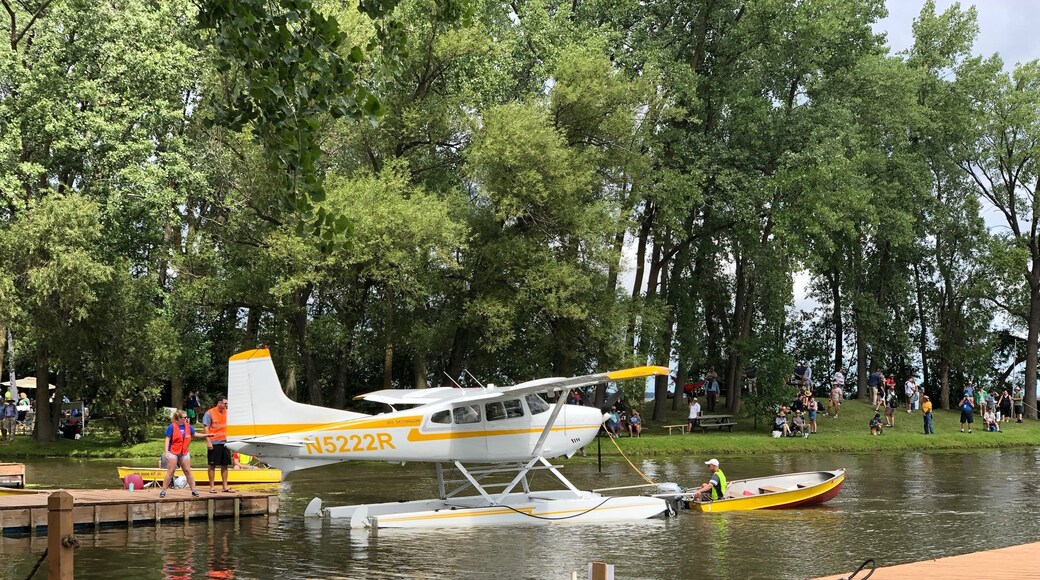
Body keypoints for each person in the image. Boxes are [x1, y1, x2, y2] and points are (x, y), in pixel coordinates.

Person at [159, 410, 212, 498]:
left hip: (184, 451)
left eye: (186, 417)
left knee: (187, 471)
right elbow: (167, 440)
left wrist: (207, 435)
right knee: (170, 472)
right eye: (184, 417)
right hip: (173, 451)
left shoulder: (188, 426)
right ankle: (164, 490)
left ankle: (194, 490)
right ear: (179, 418)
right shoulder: (171, 427)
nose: (186, 419)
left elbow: (195, 434)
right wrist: (166, 452)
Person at [203, 395, 234, 493]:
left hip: (225, 442)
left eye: (227, 403)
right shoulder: (210, 413)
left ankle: (225, 486)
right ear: (219, 403)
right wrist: (208, 441)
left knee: (225, 464)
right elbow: (206, 428)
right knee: (212, 465)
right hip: (214, 442)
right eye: (225, 403)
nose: (226, 405)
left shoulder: (227, 412)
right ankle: (212, 486)